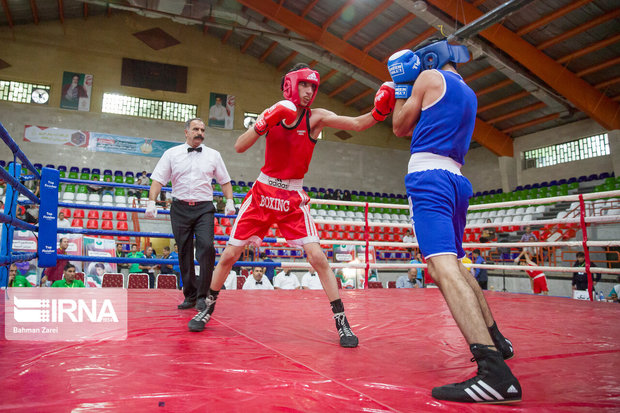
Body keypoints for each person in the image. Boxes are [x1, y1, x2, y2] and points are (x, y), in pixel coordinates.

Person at [191, 63, 391, 346]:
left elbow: (357, 123)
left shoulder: (316, 118)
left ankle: (342, 323)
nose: (309, 92)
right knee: (228, 256)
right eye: (304, 85)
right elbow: (239, 146)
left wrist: (380, 111)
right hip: (263, 192)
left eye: (313, 86)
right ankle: (208, 307)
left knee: (318, 258)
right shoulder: (272, 113)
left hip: (292, 197)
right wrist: (262, 123)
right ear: (290, 85)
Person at [390, 38, 520, 403]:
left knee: (442, 268)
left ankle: (494, 372)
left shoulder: (428, 78)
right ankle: (498, 341)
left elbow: (400, 126)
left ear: (430, 59)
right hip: (457, 181)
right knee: (458, 266)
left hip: (429, 177)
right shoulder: (468, 91)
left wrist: (402, 85)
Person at [147, 118, 235, 311]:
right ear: (186, 132)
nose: (200, 133)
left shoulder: (214, 155)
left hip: (204, 208)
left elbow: (225, 181)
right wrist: (152, 202)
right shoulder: (171, 154)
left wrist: (229, 201)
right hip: (180, 208)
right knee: (184, 251)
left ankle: (204, 296)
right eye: (196, 129)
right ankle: (190, 295)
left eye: (202, 130)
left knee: (206, 248)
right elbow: (158, 179)